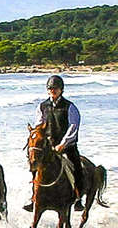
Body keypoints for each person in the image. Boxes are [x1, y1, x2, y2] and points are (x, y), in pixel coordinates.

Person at [25, 74, 83, 208]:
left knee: (77, 168)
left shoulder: (70, 107)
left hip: (66, 146)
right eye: (50, 88)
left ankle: (78, 198)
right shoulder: (42, 107)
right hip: (48, 146)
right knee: (35, 165)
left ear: (61, 90)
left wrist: (63, 144)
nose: (53, 90)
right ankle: (34, 197)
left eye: (56, 88)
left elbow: (73, 127)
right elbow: (40, 125)